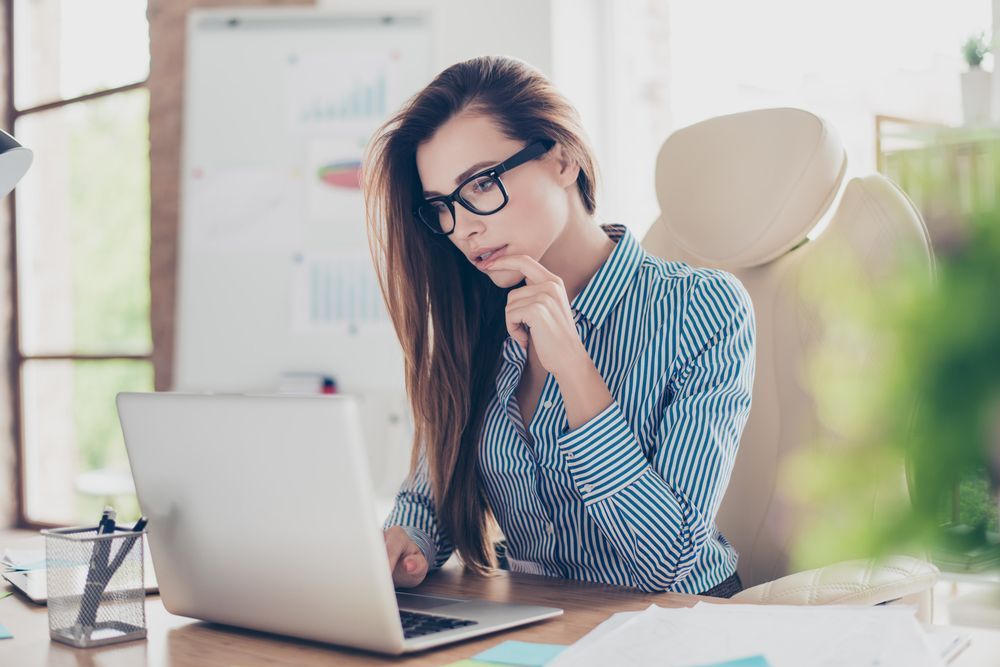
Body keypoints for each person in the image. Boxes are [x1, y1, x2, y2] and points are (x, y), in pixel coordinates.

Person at [362, 55, 755, 597]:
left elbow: (670, 564)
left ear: (563, 158)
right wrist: (409, 539)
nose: (466, 228)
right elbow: (432, 496)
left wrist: (573, 365)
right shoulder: (476, 317)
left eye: (480, 184)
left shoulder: (702, 307)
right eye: (443, 207)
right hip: (540, 621)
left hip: (675, 624)